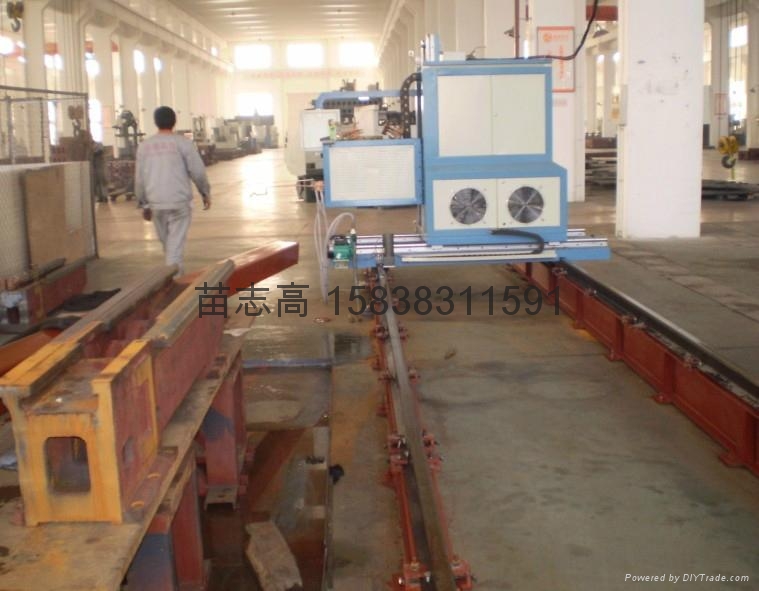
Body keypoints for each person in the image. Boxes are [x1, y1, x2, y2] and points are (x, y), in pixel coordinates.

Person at [135, 106, 211, 275]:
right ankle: (175, 282)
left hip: (156, 204)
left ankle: (173, 277)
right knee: (174, 249)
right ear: (174, 121)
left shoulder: (144, 147)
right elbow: (198, 171)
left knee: (169, 247)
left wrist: (143, 204)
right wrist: (205, 192)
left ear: (155, 122)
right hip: (179, 203)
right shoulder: (183, 143)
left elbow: (139, 179)